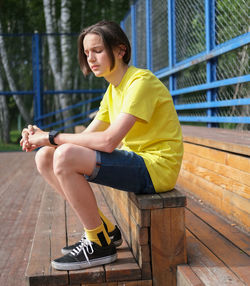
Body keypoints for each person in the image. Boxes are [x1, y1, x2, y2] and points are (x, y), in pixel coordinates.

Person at [20, 20, 183, 271]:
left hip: (156, 168)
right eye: (86, 53)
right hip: (135, 162)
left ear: (120, 50)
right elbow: (87, 136)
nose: (91, 59)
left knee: (62, 154)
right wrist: (41, 137)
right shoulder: (112, 90)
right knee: (47, 157)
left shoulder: (141, 82)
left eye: (97, 50)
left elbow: (108, 142)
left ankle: (97, 243)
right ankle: (105, 230)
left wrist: (52, 137)